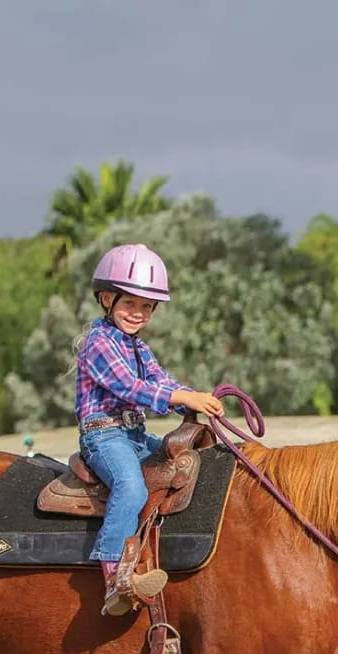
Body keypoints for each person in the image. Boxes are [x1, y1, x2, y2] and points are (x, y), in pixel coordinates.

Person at [75, 243, 224, 615]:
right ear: (106, 299)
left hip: (135, 435)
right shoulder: (98, 343)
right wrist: (183, 398)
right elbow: (130, 387)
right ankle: (115, 576)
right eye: (129, 304)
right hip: (104, 435)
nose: (138, 313)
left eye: (146, 306)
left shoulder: (138, 347)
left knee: (188, 463)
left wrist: (195, 398)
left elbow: (161, 380)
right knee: (130, 487)